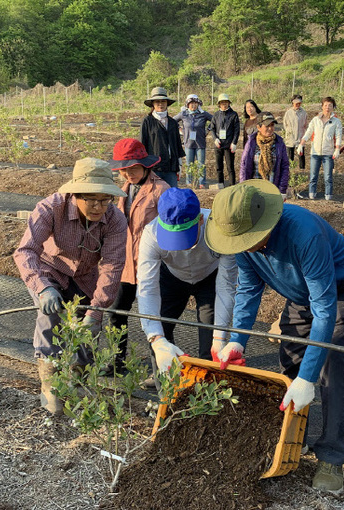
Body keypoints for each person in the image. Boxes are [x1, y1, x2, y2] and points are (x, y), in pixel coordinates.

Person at [205, 179, 344, 495]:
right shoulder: (241, 239)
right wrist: (237, 340)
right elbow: (249, 288)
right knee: (292, 358)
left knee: (332, 361)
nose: (242, 247)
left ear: (264, 225)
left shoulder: (302, 233)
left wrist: (308, 378)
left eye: (247, 240)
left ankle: (331, 457)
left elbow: (325, 309)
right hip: (301, 294)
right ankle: (293, 437)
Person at [13, 158, 128, 414]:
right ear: (75, 194)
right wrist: (42, 287)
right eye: (92, 200)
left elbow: (112, 266)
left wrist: (96, 311)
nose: (99, 206)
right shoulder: (50, 208)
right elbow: (25, 251)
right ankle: (51, 389)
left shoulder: (116, 220)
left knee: (87, 331)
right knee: (50, 317)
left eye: (105, 199)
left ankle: (78, 384)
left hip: (85, 278)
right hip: (49, 271)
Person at [137, 188, 238, 384]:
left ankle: (206, 386)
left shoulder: (220, 230)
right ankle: (165, 378)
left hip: (210, 276)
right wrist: (155, 339)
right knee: (161, 328)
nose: (181, 246)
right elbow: (147, 287)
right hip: (172, 277)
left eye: (185, 236)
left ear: (200, 219)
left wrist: (220, 337)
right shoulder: (151, 234)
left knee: (210, 336)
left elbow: (227, 287)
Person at [105, 139, 169, 375]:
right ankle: (116, 360)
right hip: (125, 263)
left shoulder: (161, 190)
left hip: (151, 263)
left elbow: (168, 229)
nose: (128, 173)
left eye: (132, 168)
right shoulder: (122, 189)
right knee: (116, 311)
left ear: (145, 166)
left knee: (152, 317)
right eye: (124, 169)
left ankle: (159, 369)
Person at [297, 96, 343, 200]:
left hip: (328, 152)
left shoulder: (336, 121)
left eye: (330, 105)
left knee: (328, 177)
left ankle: (328, 196)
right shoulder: (315, 120)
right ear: (322, 106)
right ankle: (312, 194)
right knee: (313, 176)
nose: (327, 107)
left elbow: (339, 135)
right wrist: (302, 143)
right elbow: (308, 132)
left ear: (333, 107)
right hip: (315, 152)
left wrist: (337, 148)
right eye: (325, 105)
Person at [140, 87, 185, 188]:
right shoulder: (147, 121)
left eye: (163, 101)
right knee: (154, 197)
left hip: (171, 168)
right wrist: (144, 166)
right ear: (153, 104)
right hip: (154, 168)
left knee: (171, 196)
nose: (160, 104)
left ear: (167, 103)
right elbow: (143, 144)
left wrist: (179, 164)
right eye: (157, 102)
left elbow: (177, 144)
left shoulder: (172, 122)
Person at [239, 112, 290, 196]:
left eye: (272, 125)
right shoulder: (251, 143)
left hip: (272, 190)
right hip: (254, 190)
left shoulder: (279, 143)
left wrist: (282, 190)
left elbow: (284, 167)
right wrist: (243, 188)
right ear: (258, 127)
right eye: (267, 126)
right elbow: (244, 166)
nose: (270, 128)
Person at [173, 94, 213, 187]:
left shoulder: (203, 114)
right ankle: (189, 182)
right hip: (188, 143)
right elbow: (173, 120)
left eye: (195, 103)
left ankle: (201, 182)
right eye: (191, 103)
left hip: (200, 143)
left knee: (201, 164)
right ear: (187, 104)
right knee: (189, 163)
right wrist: (180, 129)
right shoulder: (184, 114)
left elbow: (214, 120)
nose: (193, 105)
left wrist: (208, 130)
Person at [209, 93, 240, 185]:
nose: (224, 104)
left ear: (229, 103)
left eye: (226, 102)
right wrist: (215, 139)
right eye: (222, 102)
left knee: (230, 167)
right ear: (219, 104)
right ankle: (220, 184)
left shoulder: (233, 115)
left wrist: (234, 142)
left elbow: (236, 130)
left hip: (229, 144)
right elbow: (212, 128)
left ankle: (232, 186)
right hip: (218, 144)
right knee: (219, 167)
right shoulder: (216, 115)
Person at [283, 94, 308, 171]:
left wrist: (304, 136)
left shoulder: (303, 113)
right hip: (290, 138)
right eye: (296, 103)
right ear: (292, 103)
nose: (298, 104)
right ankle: (290, 171)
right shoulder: (288, 113)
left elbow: (305, 125)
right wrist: (289, 133)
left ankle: (302, 170)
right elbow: (285, 124)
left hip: (300, 137)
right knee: (290, 156)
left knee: (301, 155)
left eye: (299, 103)